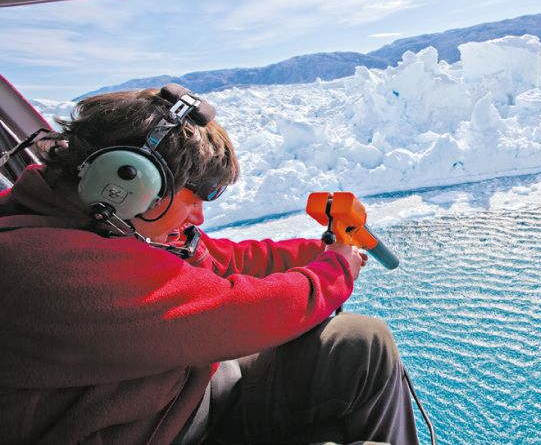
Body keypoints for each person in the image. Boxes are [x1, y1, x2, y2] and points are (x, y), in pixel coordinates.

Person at [0, 85, 419, 444]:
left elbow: (223, 259)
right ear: (130, 179)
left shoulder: (109, 224)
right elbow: (238, 312)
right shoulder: (42, 267)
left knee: (361, 343)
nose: (199, 216)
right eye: (195, 195)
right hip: (166, 431)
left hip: (182, 397)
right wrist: (336, 271)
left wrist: (321, 251)